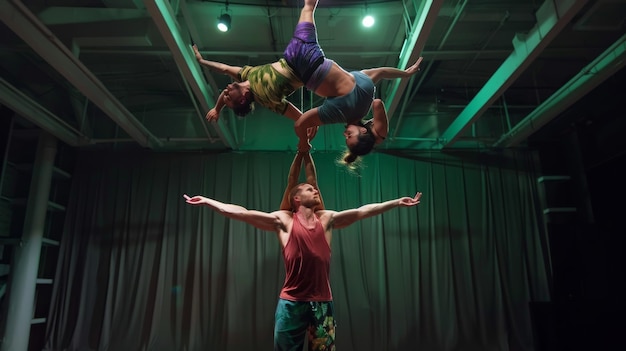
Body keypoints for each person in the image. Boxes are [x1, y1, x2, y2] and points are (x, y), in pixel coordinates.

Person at [183, 148, 422, 351]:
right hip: (291, 304)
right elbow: (242, 213)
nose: (316, 190)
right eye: (310, 189)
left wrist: (396, 202)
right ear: (296, 198)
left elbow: (362, 211)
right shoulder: (284, 222)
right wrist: (208, 201)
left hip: (322, 303)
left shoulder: (327, 219)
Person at [193, 0, 423, 158]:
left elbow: (381, 79)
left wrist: (406, 74)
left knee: (309, 6)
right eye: (349, 136)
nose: (345, 134)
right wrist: (304, 142)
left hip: (307, 56)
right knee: (308, 6)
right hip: (304, 63)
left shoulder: (366, 92)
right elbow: (299, 121)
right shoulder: (340, 113)